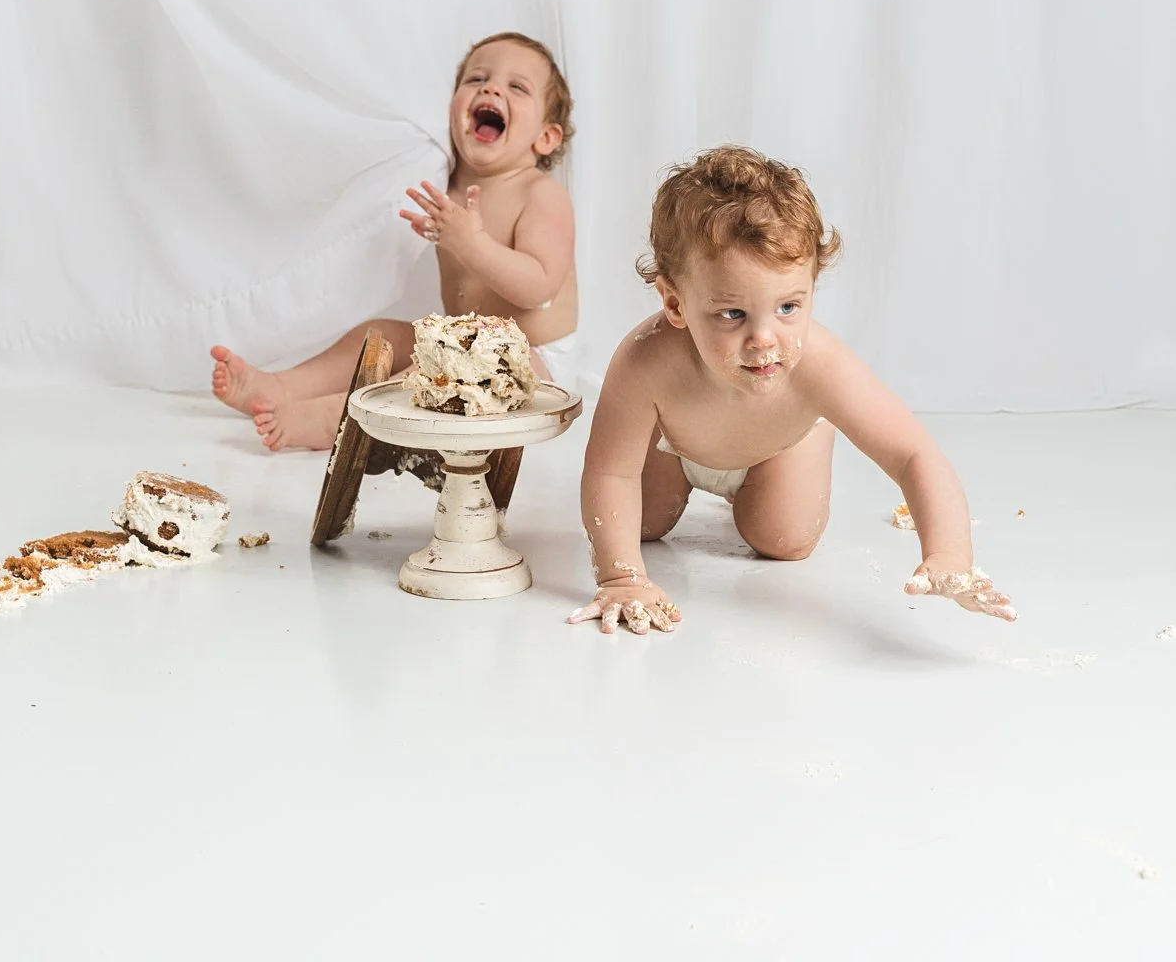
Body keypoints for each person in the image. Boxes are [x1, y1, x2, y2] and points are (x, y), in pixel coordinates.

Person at [570, 144, 1016, 635]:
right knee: (638, 526)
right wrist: (621, 578)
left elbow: (913, 455)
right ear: (675, 303)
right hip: (674, 443)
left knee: (783, 538)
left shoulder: (819, 365)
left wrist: (949, 553)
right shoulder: (645, 361)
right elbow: (610, 472)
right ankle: (675, 482)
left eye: (788, 308)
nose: (764, 339)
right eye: (731, 314)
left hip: (778, 447)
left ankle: (798, 449)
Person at [210, 32, 577, 450]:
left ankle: (336, 419)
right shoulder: (447, 183)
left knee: (442, 373)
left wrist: (471, 244)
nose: (491, 88)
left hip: (536, 360)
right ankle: (281, 386)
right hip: (457, 339)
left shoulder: (539, 192)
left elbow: (540, 287)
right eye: (476, 79)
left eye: (517, 87)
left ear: (546, 137)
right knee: (380, 334)